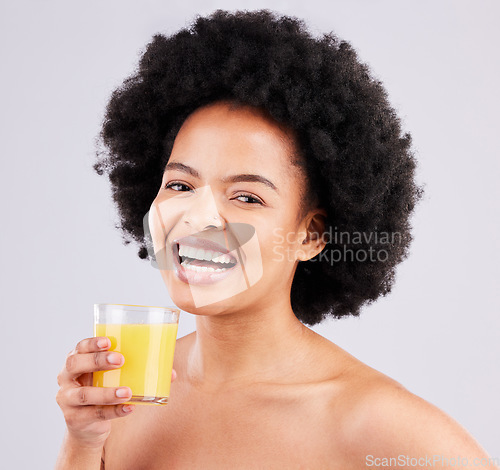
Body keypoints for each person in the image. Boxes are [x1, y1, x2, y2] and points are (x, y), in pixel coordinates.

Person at [55, 9, 498, 469]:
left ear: (310, 235)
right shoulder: (129, 391)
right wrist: (83, 444)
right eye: (180, 186)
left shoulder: (374, 425)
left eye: (246, 197)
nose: (197, 218)